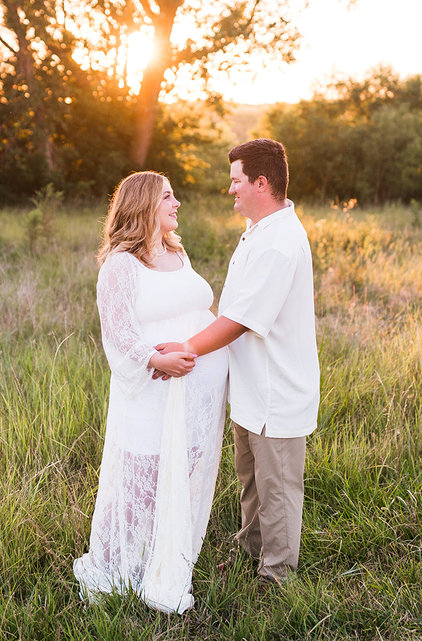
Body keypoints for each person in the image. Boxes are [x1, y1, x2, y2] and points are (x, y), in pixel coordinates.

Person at [154, 138, 319, 584]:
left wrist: (186, 347)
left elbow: (239, 321)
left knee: (277, 488)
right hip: (251, 388)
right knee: (251, 480)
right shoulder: (260, 230)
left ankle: (276, 579)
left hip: (276, 391)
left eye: (236, 181)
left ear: (261, 183)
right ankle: (251, 551)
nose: (231, 190)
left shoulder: (278, 243)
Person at [73, 171, 230, 614]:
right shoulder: (122, 264)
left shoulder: (177, 251)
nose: (177, 203)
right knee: (139, 485)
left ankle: (161, 560)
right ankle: (113, 568)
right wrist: (156, 359)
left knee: (180, 477)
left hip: (196, 399)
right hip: (151, 392)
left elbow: (197, 311)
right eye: (168, 196)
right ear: (143, 204)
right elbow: (118, 331)